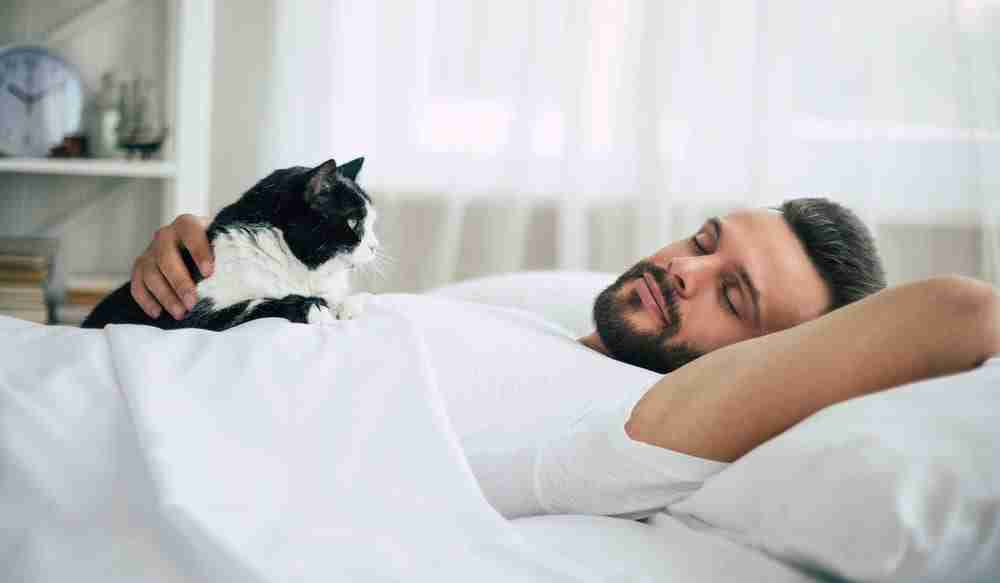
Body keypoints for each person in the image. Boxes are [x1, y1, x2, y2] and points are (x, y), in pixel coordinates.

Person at [127, 198, 999, 515]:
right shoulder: (532, 332)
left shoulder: (619, 435)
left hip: (135, 433)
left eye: (734, 296)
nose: (684, 271)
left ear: (770, 363)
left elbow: (958, 313)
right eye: (703, 240)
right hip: (143, 369)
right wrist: (199, 261)